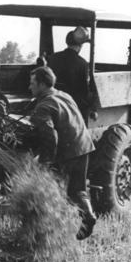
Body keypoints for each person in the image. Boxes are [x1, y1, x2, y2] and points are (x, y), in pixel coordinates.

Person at [28, 66, 97, 239]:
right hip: (84, 145)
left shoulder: (44, 106)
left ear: (43, 84)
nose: (30, 88)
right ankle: (88, 216)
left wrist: (44, 163)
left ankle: (51, 231)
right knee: (79, 189)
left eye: (33, 84)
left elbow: (50, 138)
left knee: (55, 190)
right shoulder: (64, 95)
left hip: (68, 152)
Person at [45, 26, 96, 122]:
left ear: (67, 42)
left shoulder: (52, 58)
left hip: (53, 103)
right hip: (73, 109)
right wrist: (93, 108)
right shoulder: (83, 64)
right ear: (80, 45)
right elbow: (84, 91)